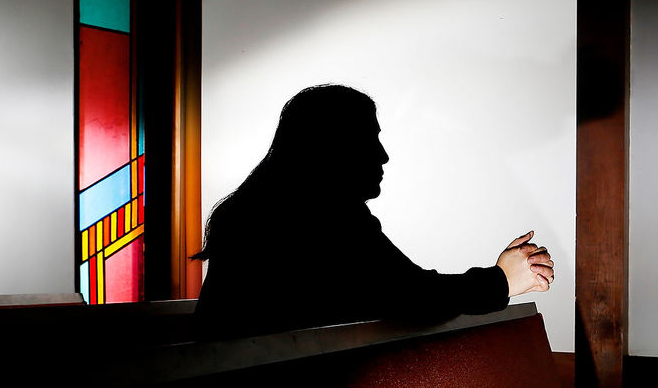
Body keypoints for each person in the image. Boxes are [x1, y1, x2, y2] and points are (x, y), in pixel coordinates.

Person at [192, 84, 554, 337]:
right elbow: (414, 298)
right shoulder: (325, 219)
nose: (383, 155)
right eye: (369, 139)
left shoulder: (259, 213)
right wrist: (503, 280)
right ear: (333, 148)